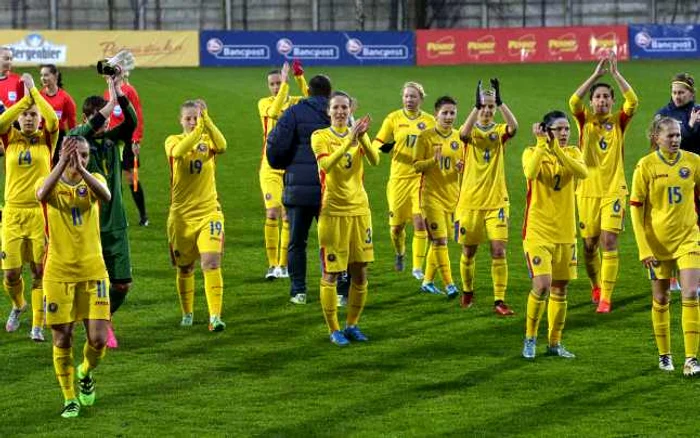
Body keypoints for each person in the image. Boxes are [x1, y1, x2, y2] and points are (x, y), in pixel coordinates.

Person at [36, 136, 112, 418]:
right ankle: (69, 397)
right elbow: (42, 195)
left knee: (99, 339)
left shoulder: (94, 179)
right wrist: (61, 164)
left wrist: (81, 170)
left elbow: (106, 196)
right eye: (74, 154)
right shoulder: (50, 182)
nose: (79, 159)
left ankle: (85, 371)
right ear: (62, 155)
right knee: (62, 337)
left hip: (93, 271)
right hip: (59, 273)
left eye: (84, 155)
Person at [69, 75, 137, 349]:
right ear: (87, 117)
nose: (107, 120)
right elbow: (83, 132)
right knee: (89, 282)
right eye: (100, 117)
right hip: (89, 226)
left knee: (122, 285)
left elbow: (131, 121)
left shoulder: (113, 140)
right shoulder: (75, 140)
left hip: (116, 224)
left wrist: (118, 92)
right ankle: (91, 322)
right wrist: (107, 104)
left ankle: (103, 317)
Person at [629, 116, 700, 376]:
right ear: (656, 137)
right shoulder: (645, 166)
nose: (675, 140)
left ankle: (691, 359)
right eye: (669, 135)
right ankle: (665, 354)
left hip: (688, 240)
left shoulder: (693, 162)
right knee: (661, 298)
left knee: (691, 294)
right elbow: (635, 209)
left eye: (678, 135)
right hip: (656, 244)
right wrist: (643, 248)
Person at [569, 51, 638, 313]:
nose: (601, 101)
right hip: (586, 190)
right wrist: (596, 75)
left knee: (609, 242)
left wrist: (617, 74)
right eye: (597, 97)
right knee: (589, 245)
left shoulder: (620, 120)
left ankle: (606, 298)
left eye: (606, 97)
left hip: (614, 190)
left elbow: (633, 100)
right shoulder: (583, 119)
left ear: (611, 101)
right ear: (593, 101)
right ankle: (596, 285)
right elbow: (574, 100)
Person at [310, 92, 377, 346]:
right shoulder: (320, 136)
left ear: (351, 110)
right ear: (329, 111)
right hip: (333, 212)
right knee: (332, 272)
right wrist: (349, 139)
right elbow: (326, 166)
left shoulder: (357, 134)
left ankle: (352, 325)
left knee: (360, 272)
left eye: (344, 108)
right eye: (336, 107)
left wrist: (362, 138)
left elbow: (374, 159)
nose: (340, 111)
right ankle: (334, 329)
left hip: (360, 211)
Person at [521, 111, 588, 359]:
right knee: (542, 284)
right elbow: (530, 173)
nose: (563, 133)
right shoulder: (531, 151)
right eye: (558, 129)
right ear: (546, 131)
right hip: (538, 231)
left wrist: (558, 151)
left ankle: (554, 343)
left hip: (565, 233)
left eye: (566, 129)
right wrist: (542, 145)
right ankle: (530, 338)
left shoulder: (573, 153)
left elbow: (583, 173)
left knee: (560, 289)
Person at [0, 73, 59, 341]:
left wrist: (34, 94)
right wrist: (25, 101)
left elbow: (54, 119)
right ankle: (18, 305)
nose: (28, 118)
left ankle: (37, 324)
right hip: (12, 213)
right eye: (24, 115)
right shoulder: (9, 139)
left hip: (39, 213)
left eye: (33, 115)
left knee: (38, 271)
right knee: (11, 273)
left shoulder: (48, 139)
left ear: (39, 120)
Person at [266, 74, 332, 305]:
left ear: (309, 92)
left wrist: (286, 165)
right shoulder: (338, 112)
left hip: (297, 188)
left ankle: (298, 291)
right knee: (334, 242)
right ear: (328, 93)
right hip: (330, 188)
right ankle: (339, 290)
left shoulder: (293, 112)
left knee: (297, 242)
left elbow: (274, 145)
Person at [456, 78, 518, 316]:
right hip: (470, 202)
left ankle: (499, 300)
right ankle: (468, 290)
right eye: (484, 105)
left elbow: (514, 127)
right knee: (469, 252)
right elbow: (462, 133)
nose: (487, 110)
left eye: (491, 106)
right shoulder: (470, 131)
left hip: (497, 201)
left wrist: (501, 103)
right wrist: (475, 106)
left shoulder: (498, 131)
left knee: (498, 251)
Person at [165, 99, 227, 331]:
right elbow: (180, 153)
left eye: (195, 117)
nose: (192, 122)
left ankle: (215, 317)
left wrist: (207, 121)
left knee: (211, 263)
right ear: (180, 120)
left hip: (209, 212)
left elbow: (222, 145)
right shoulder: (173, 141)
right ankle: (187, 312)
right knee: (185, 267)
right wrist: (199, 130)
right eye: (188, 118)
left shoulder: (207, 141)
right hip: (181, 217)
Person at [373, 82, 435, 279]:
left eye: (413, 96)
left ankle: (417, 268)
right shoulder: (393, 118)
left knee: (420, 222)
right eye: (406, 96)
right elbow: (377, 142)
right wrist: (381, 148)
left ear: (421, 99)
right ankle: (400, 253)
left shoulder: (430, 121)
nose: (409, 100)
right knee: (396, 228)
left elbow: (439, 143)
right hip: (398, 178)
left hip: (420, 178)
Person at [258, 60, 307, 280]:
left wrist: (299, 77)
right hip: (269, 167)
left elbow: (316, 101)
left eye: (279, 83)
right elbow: (275, 111)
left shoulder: (297, 103)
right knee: (272, 212)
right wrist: (287, 84)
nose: (276, 87)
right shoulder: (264, 104)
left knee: (288, 217)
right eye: (273, 84)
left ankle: (283, 265)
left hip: (291, 166)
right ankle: (271, 265)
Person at [413, 96, 464, 298]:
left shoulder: (460, 137)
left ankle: (427, 281)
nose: (449, 116)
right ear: (436, 114)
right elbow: (416, 165)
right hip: (430, 196)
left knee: (441, 241)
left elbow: (463, 165)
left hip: (452, 196)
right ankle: (450, 284)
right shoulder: (425, 137)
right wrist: (432, 161)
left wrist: (462, 168)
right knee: (440, 240)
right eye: (445, 112)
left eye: (452, 112)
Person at [104, 70, 148, 226]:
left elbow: (138, 115)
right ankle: (116, 216)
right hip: (113, 139)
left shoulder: (130, 91)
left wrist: (137, 139)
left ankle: (143, 216)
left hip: (128, 139)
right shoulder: (107, 92)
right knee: (112, 178)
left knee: (131, 178)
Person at [39, 64, 77, 164]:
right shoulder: (38, 96)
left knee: (56, 166)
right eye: (42, 75)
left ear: (56, 76)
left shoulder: (66, 98)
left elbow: (72, 123)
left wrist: (73, 140)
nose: (43, 78)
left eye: (46, 75)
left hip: (58, 137)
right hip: (40, 136)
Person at [656, 73, 700, 154]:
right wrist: (689, 126)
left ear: (692, 93)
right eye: (674, 92)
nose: (677, 97)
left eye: (681, 93)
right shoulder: (663, 113)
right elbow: (658, 143)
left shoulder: (698, 112)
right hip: (670, 163)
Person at [0, 46, 24, 110]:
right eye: (6, 59)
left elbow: (24, 103)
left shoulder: (18, 80)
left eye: (11, 59)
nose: (9, 62)